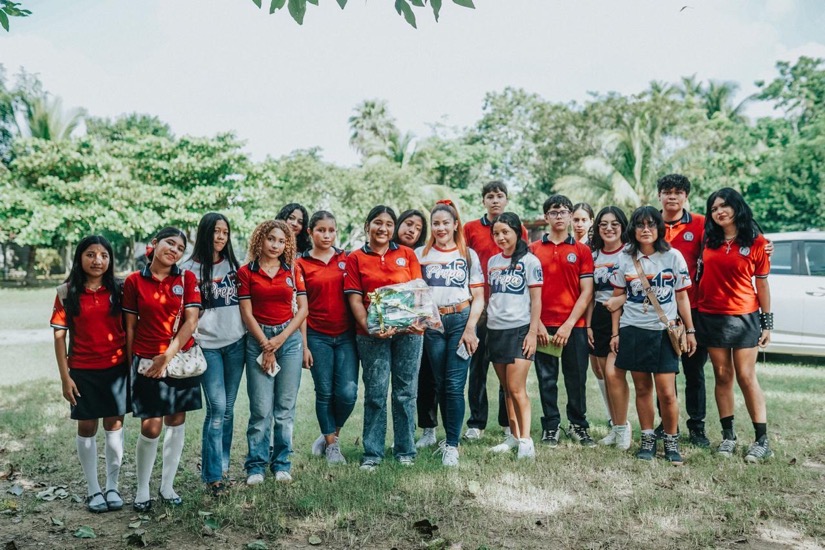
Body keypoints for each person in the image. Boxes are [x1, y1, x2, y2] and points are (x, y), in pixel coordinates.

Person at [608, 207, 696, 465]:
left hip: (663, 332)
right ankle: (647, 439)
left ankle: (671, 440)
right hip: (633, 329)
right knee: (643, 388)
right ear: (633, 230)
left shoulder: (673, 257)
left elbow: (682, 296)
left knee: (667, 393)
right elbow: (616, 299)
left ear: (659, 228)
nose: (645, 229)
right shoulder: (625, 258)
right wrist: (616, 333)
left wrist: (689, 330)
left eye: (651, 224)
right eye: (640, 225)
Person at [123, 227, 202, 511]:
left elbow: (191, 322)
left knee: (176, 421)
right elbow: (130, 327)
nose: (175, 250)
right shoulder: (134, 281)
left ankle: (167, 486)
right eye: (170, 243)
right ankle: (142, 489)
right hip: (146, 361)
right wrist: (132, 364)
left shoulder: (187, 278)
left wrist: (166, 358)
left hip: (179, 360)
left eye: (180, 248)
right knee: (151, 426)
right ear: (154, 243)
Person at [344, 205, 424, 471]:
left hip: (408, 335)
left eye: (389, 224)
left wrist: (418, 321)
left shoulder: (407, 254)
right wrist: (370, 327)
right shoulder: (355, 258)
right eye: (378, 223)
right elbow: (355, 298)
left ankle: (405, 450)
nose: (383, 228)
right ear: (368, 226)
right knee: (376, 394)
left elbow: (417, 293)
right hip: (372, 336)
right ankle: (373, 453)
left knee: (405, 392)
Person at [51, 236, 127, 513]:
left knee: (114, 427)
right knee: (86, 427)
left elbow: (131, 328)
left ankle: (112, 486)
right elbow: (60, 337)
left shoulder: (120, 289)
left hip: (117, 369)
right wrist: (65, 377)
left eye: (104, 255)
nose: (98, 260)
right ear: (80, 258)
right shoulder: (66, 292)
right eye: (91, 254)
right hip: (82, 371)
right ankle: (93, 489)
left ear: (110, 260)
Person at [697, 188, 773, 463]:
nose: (719, 212)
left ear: (737, 207)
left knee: (745, 375)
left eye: (724, 206)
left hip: (744, 317)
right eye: (714, 208)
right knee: (722, 375)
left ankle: (762, 440)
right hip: (711, 315)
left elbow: (762, 284)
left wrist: (767, 324)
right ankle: (728, 437)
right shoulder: (708, 238)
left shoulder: (757, 242)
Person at [415, 200, 485, 466]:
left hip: (460, 320)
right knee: (440, 382)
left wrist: (470, 329)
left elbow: (479, 296)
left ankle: (452, 445)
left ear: (456, 224)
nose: (441, 227)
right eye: (436, 223)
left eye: (446, 222)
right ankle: (441, 435)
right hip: (434, 324)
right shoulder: (422, 254)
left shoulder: (468, 255)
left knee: (455, 385)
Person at [238, 220, 308, 485]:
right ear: (260, 240)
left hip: (287, 341)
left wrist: (279, 340)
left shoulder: (293, 270)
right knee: (260, 409)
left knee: (284, 409)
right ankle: (255, 466)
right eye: (271, 239)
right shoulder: (246, 272)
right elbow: (246, 312)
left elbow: (302, 310)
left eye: (281, 241)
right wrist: (265, 343)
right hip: (257, 338)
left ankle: (281, 463)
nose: (276, 245)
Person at [181, 213, 245, 497]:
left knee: (228, 410)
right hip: (208, 346)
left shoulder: (235, 265)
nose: (220, 237)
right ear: (204, 233)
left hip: (236, 343)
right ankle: (212, 476)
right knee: (217, 408)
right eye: (216, 231)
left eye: (225, 232)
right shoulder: (188, 269)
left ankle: (222, 467)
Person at [462, 181, 529, 441]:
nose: (494, 200)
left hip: (508, 313)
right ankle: (476, 422)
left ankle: (506, 422)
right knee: (477, 369)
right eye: (490, 196)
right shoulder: (470, 228)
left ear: (506, 200)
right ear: (483, 201)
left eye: (499, 196)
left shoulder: (517, 227)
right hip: (478, 310)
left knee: (507, 370)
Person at [529, 195, 595, 447]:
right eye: (554, 212)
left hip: (574, 327)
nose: (559, 216)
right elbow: (528, 290)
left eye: (563, 211)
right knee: (547, 379)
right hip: (543, 326)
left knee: (576, 378)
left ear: (570, 216)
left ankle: (579, 425)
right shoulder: (533, 249)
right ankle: (551, 426)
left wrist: (568, 325)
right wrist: (538, 325)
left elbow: (587, 291)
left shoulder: (582, 250)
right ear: (546, 217)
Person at [297, 211, 358, 465]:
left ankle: (330, 435)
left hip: (346, 335)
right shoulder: (300, 264)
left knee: (348, 392)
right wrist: (304, 345)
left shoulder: (347, 259)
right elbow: (300, 307)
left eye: (331, 230)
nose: (327, 235)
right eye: (321, 230)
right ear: (310, 232)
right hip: (317, 335)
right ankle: (333, 446)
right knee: (324, 392)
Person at [656, 174, 710, 447]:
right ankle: (665, 423)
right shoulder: (649, 223)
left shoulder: (700, 224)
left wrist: (764, 244)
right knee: (664, 371)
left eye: (678, 192)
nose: (672, 196)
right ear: (659, 196)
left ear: (686, 196)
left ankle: (697, 426)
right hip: (660, 311)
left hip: (693, 308)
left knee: (694, 370)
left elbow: (731, 235)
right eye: (667, 191)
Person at [486, 212, 543, 459]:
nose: (500, 237)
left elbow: (536, 300)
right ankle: (514, 435)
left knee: (517, 388)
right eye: (496, 233)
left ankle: (526, 442)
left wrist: (532, 333)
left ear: (517, 232)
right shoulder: (492, 262)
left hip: (520, 330)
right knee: (506, 389)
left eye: (505, 232)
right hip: (495, 330)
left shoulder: (530, 262)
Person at [586, 206, 632, 449]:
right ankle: (616, 426)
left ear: (623, 226)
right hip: (600, 318)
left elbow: (637, 289)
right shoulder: (593, 256)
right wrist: (589, 325)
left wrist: (620, 301)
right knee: (603, 373)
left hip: (627, 317)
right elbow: (589, 293)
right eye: (603, 224)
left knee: (614, 374)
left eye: (614, 223)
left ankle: (624, 428)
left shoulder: (631, 253)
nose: (609, 228)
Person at [392, 210, 438, 448]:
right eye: (408, 224)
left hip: (420, 324)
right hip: (388, 327)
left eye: (418, 228)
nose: (412, 230)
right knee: (395, 385)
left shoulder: (423, 254)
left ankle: (428, 429)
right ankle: (401, 435)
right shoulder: (384, 250)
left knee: (425, 378)